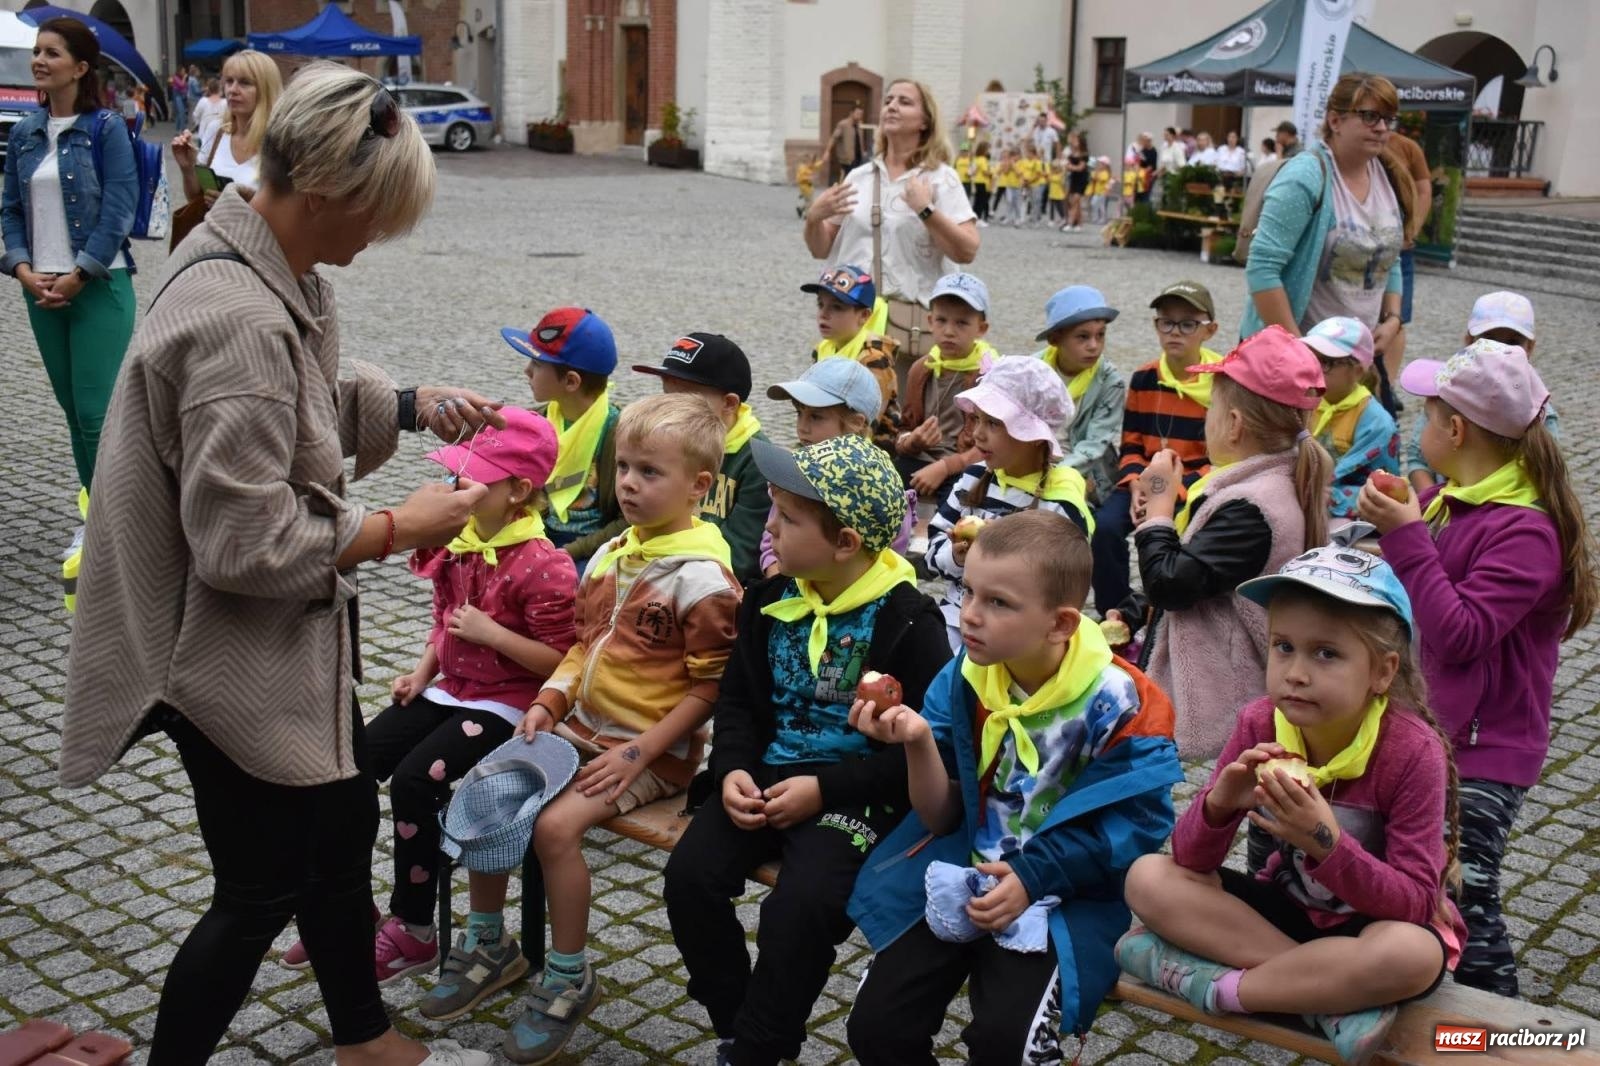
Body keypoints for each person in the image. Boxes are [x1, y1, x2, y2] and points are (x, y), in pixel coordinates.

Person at [57, 61, 508, 1066]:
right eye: (378, 213)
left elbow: (294, 402)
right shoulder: (243, 321)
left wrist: (404, 399)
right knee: (260, 889)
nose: (376, 238)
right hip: (211, 658)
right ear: (330, 191)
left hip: (271, 648)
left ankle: (365, 1039)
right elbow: (243, 542)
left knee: (342, 826)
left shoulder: (263, 268)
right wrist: (402, 525)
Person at [450, 393, 743, 1062]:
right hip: (581, 728)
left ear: (699, 485)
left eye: (649, 472)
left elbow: (711, 687)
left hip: (649, 752)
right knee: (488, 792)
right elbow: (583, 644)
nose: (630, 485)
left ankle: (568, 976)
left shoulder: (704, 580)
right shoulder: (614, 551)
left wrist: (641, 754)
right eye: (624, 468)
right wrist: (550, 702)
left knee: (555, 829)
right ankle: (489, 939)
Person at [845, 511, 1183, 1065]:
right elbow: (939, 818)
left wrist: (1033, 875)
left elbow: (1136, 829)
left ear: (1061, 624)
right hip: (967, 867)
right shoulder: (968, 675)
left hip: (1068, 893)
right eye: (970, 592)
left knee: (1009, 1045)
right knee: (878, 1029)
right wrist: (916, 742)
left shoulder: (1121, 706)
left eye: (999, 603)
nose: (971, 615)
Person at [665, 433, 950, 1066]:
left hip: (855, 797)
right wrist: (733, 768)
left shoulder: (908, 622)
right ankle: (738, 1020)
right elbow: (738, 703)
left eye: (788, 519)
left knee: (802, 906)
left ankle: (761, 1048)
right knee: (690, 877)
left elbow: (928, 751)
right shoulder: (769, 600)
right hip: (766, 777)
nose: (769, 527)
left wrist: (825, 790)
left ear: (846, 543)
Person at [1119, 547, 1466, 1065]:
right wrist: (1218, 805)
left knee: (1412, 954)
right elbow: (1190, 862)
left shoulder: (1411, 751)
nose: (1296, 673)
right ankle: (1328, 999)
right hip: (1288, 916)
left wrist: (1324, 841)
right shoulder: (1261, 723)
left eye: (1326, 653)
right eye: (1284, 647)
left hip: (1371, 929)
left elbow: (1415, 903)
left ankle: (1227, 990)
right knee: (1147, 876)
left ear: (1382, 671)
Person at [277, 408, 579, 979]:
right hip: (452, 689)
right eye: (454, 475)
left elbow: (566, 662)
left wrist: (494, 635)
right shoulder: (458, 541)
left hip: (509, 703)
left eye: (470, 479)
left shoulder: (546, 566)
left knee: (418, 781)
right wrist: (422, 673)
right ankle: (349, 907)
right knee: (353, 763)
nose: (453, 488)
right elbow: (445, 621)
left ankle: (414, 927)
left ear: (518, 490)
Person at [1360, 341, 1598, 998]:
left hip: (1484, 750)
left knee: (1463, 889)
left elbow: (1461, 633)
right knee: (1417, 876)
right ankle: (1420, 993)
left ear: (1455, 429)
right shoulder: (1454, 497)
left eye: (1425, 416)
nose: (1417, 429)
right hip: (1437, 735)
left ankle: (1504, 1027)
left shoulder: (1525, 530)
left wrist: (1406, 536)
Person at [1109, 326, 1332, 759]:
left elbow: (1172, 585)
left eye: (1212, 407)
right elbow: (1208, 575)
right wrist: (1137, 611)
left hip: (1219, 704)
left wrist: (1158, 510)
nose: (1207, 416)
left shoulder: (1254, 507)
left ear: (1233, 425)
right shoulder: (1266, 487)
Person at [2, 16, 138, 561]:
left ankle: (117, 525)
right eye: (37, 51)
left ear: (80, 67)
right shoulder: (23, 132)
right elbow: (11, 210)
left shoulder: (106, 129)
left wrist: (80, 274)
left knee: (94, 413)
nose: (39, 60)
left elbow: (118, 209)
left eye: (52, 52)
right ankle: (97, 515)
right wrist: (20, 268)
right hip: (40, 290)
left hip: (99, 285)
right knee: (72, 413)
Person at [805, 78, 979, 387]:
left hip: (905, 324)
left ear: (925, 122)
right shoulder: (859, 177)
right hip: (852, 321)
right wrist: (813, 218)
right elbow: (821, 248)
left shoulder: (941, 179)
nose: (892, 106)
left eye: (904, 101)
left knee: (897, 422)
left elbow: (967, 250)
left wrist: (926, 210)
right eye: (888, 101)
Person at [1240, 74, 1416, 356]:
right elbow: (1262, 269)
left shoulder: (1386, 174)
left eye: (1388, 118)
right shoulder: (1305, 177)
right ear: (1335, 121)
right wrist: (1301, 352)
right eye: (1370, 116)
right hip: (1293, 353)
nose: (1382, 128)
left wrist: (1392, 318)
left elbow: (1390, 255)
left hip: (1355, 357)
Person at [926, 356, 1094, 651]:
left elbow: (1060, 589)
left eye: (993, 423)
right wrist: (957, 557)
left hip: (1017, 640)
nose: (977, 433)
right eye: (976, 419)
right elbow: (932, 549)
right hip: (955, 621)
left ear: (1032, 437)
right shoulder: (972, 479)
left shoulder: (1059, 505)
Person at [1089, 280, 1223, 616]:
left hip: (1194, 484)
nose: (1175, 332)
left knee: (1183, 537)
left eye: (1188, 323)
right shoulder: (1144, 378)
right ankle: (1116, 615)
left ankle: (1167, 611)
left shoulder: (1221, 382)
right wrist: (1136, 482)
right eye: (1167, 322)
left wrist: (1171, 491)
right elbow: (1131, 444)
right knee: (1104, 528)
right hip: (1145, 479)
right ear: (1156, 326)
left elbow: (1222, 458)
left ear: (1209, 330)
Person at [634, 333, 770, 585]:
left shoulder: (759, 463)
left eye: (684, 400)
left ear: (729, 403)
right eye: (666, 396)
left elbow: (738, 556)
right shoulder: (669, 443)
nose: (669, 411)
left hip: (711, 588)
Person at [760, 360, 916, 579]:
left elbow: (883, 567)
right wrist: (777, 584)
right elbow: (770, 543)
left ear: (856, 423)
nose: (802, 427)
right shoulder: (795, 471)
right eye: (799, 413)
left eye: (816, 416)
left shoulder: (880, 491)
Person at [503, 306, 625, 568]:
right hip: (536, 535)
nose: (527, 371)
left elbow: (629, 519)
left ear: (571, 381)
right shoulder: (535, 421)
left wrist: (570, 552)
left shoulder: (620, 435)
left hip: (591, 547)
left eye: (536, 363)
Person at [1402, 291, 1558, 494]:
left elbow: (1542, 479)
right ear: (1469, 340)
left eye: (1513, 341)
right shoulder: (1446, 392)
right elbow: (1417, 458)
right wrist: (1432, 507)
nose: (1499, 349)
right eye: (1488, 338)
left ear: (1530, 348)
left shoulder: (1542, 416)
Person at [893, 272, 997, 503]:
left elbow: (993, 443)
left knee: (963, 494)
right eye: (941, 321)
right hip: (921, 459)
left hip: (966, 464)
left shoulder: (989, 374)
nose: (949, 331)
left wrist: (945, 467)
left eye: (961, 323)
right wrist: (912, 441)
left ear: (981, 328)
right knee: (886, 481)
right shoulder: (921, 369)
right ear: (930, 321)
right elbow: (904, 428)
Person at [1034, 285, 1125, 506]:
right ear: (1055, 339)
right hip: (1032, 465)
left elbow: (1094, 445)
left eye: (1100, 335)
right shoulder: (1032, 370)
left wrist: (1055, 477)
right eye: (1082, 337)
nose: (1094, 346)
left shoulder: (1111, 382)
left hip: (1086, 474)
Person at [1303, 316, 1399, 521]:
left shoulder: (1376, 422)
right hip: (1307, 493)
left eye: (1325, 363)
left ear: (1356, 371)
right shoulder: (1306, 398)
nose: (1313, 369)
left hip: (1347, 508)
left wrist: (1321, 494)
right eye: (1310, 358)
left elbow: (1383, 489)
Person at [802, 263, 898, 451]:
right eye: (820, 304)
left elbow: (868, 425)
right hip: (824, 438)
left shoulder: (874, 359)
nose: (824, 314)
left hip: (872, 451)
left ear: (864, 315)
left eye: (836, 307)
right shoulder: (822, 349)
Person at [173, 51, 281, 202]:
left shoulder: (280, 142)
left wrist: (242, 202)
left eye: (245, 82)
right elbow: (195, 200)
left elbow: (289, 212)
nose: (233, 90)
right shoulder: (216, 130)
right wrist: (188, 168)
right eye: (229, 81)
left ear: (265, 89)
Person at [1379, 128, 1433, 414]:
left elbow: (1424, 189)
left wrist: (1412, 226)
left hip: (1401, 245)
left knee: (1397, 318)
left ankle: (1387, 382)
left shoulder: (1408, 147)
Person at [822, 103, 865, 186]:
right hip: (847, 159)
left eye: (861, 114)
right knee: (848, 180)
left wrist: (863, 152)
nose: (860, 116)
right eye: (858, 114)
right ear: (851, 113)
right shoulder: (843, 124)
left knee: (855, 180)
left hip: (858, 158)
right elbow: (834, 138)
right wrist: (827, 152)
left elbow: (860, 141)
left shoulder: (859, 126)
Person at [1063, 130, 1089, 231]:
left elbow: (1080, 168)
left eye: (1076, 140)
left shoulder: (1084, 154)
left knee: (1075, 200)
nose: (1074, 142)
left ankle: (1070, 223)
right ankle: (1079, 223)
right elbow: (1066, 163)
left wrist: (1069, 166)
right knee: (1074, 202)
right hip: (1074, 178)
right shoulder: (1072, 154)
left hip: (1082, 179)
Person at [191, 76, 225, 148]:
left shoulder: (203, 101)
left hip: (203, 135)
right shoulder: (225, 103)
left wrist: (199, 122)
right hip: (220, 136)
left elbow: (195, 115)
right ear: (220, 89)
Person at [970, 140, 992, 226]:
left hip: (977, 181)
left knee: (977, 200)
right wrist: (991, 174)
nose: (988, 151)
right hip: (983, 181)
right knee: (981, 201)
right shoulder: (983, 159)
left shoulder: (976, 159)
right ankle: (978, 218)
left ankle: (974, 217)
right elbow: (985, 172)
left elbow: (974, 170)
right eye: (987, 149)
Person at [1088, 156, 1113, 223]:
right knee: (1093, 203)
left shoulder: (1106, 173)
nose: (1099, 165)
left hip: (1103, 192)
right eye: (1099, 163)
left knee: (1101, 206)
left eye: (1101, 164)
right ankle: (1095, 217)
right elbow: (1093, 178)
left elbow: (1099, 179)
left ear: (1105, 165)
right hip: (1096, 191)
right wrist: (1096, 173)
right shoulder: (1098, 172)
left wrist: (1097, 172)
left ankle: (1103, 218)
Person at [794, 154, 819, 219]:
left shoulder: (807, 167)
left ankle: (801, 209)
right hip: (805, 187)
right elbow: (799, 178)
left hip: (808, 187)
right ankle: (806, 215)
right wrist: (808, 178)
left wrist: (823, 160)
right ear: (805, 161)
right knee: (810, 202)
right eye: (809, 161)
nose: (811, 163)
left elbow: (815, 165)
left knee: (808, 201)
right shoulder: (802, 168)